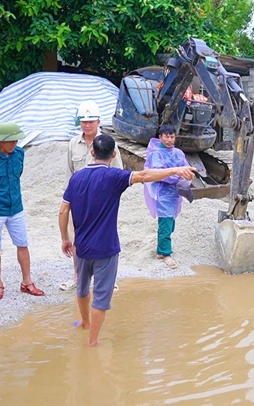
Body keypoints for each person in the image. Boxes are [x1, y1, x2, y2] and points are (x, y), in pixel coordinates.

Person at [58, 133, 194, 347]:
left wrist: (66, 239)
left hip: (81, 247)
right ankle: (93, 341)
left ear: (92, 153)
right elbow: (144, 175)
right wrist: (176, 170)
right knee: (101, 296)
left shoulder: (76, 178)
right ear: (113, 155)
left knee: (82, 288)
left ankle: (84, 323)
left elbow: (63, 210)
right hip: (106, 248)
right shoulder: (115, 177)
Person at [0, 122, 45, 301]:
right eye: (11, 141)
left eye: (16, 140)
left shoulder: (19, 153)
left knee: (22, 243)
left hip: (16, 207)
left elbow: (17, 175)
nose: (15, 144)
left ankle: (27, 282)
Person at [59, 100, 123, 291]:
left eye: (91, 121)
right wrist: (68, 199)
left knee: (104, 238)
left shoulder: (109, 144)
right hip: (79, 201)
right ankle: (78, 275)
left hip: (102, 202)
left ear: (98, 122)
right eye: (84, 121)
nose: (87, 125)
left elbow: (117, 171)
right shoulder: (73, 144)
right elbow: (69, 172)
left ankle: (106, 278)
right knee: (77, 237)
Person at [144, 124, 191, 269]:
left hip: (175, 193)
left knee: (170, 223)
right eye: (166, 136)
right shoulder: (156, 154)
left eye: (172, 136)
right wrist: (176, 174)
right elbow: (159, 173)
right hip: (163, 193)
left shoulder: (179, 153)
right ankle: (165, 253)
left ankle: (161, 249)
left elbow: (186, 167)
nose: (170, 140)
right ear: (160, 137)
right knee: (165, 222)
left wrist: (188, 176)